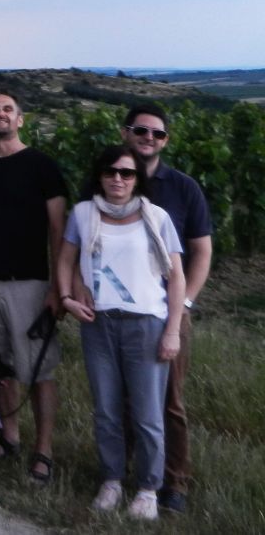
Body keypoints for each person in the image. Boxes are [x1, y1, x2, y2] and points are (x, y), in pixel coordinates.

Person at [58, 145, 184, 521]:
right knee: (107, 410)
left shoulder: (157, 217)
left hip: (146, 324)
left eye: (127, 173)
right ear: (100, 175)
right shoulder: (82, 214)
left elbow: (175, 277)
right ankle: (111, 479)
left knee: (147, 414)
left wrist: (173, 330)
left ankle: (148, 488)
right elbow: (65, 259)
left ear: (137, 179)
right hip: (98, 323)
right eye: (111, 171)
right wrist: (66, 296)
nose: (118, 178)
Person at [0, 91, 68, 485]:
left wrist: (59, 286)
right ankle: (9, 436)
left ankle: (44, 450)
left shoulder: (42, 167)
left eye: (8, 110)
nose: (0, 115)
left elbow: (58, 231)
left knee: (39, 370)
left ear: (20, 119)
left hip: (31, 284)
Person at [119, 104, 212, 514]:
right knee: (121, 396)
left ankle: (174, 481)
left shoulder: (184, 187)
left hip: (167, 312)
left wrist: (185, 302)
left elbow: (201, 249)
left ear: (165, 141)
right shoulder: (110, 178)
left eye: (157, 134)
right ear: (126, 133)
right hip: (119, 309)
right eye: (142, 130)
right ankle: (121, 472)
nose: (149, 138)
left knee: (169, 401)